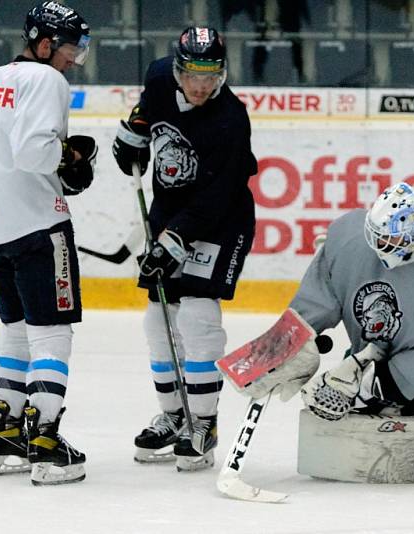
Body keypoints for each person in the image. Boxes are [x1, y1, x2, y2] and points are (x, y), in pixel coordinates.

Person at [0, 1, 96, 485]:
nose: (71, 62)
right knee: (51, 333)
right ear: (43, 44)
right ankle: (43, 444)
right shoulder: (46, 80)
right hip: (39, 225)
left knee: (15, 330)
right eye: (68, 51)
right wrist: (73, 156)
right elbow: (36, 152)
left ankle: (6, 436)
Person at [112, 26, 257, 471]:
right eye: (193, 74)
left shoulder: (231, 119)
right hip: (169, 208)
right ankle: (174, 417)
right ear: (177, 69)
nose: (200, 85)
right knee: (158, 319)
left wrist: (174, 242)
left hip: (222, 221)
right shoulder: (159, 78)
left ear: (222, 73)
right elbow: (147, 110)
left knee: (197, 314)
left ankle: (205, 423)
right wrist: (135, 134)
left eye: (210, 75)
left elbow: (215, 199)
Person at [240, 182, 414, 421]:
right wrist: (286, 343)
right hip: (366, 357)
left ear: (413, 237)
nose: (376, 244)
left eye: (387, 239)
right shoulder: (351, 234)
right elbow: (320, 294)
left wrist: (365, 387)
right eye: (375, 234)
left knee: (355, 403)